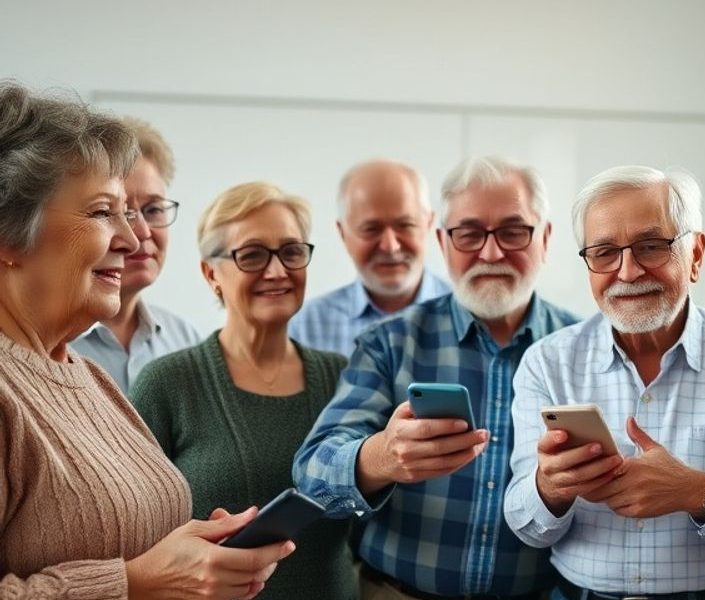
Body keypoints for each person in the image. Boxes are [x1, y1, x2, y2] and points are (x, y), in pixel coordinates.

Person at [0, 81, 291, 599]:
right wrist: (138, 582)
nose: (132, 239)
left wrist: (193, 553)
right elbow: (135, 575)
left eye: (137, 212)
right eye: (101, 212)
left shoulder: (85, 378)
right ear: (9, 236)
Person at [504, 166, 705, 600]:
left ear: (695, 253)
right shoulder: (547, 363)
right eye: (604, 252)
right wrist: (549, 488)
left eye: (651, 246)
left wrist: (696, 491)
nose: (628, 271)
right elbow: (525, 525)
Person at [294, 156, 577, 599]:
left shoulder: (585, 350)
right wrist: (380, 458)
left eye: (513, 230)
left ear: (545, 238)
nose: (491, 252)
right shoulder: (390, 343)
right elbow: (311, 473)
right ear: (443, 242)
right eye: (469, 233)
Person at [131, 181, 357, 599]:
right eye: (252, 255)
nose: (277, 271)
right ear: (210, 272)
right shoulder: (167, 384)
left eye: (291, 251)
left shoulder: (343, 378)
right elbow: (134, 534)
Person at [70, 116, 202, 392]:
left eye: (154, 210)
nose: (141, 232)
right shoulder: (51, 344)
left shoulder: (185, 339)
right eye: (116, 212)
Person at [290, 159, 450, 357]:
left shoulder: (473, 319)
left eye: (405, 225)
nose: (390, 246)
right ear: (343, 233)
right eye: (371, 229)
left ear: (428, 224)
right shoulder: (305, 329)